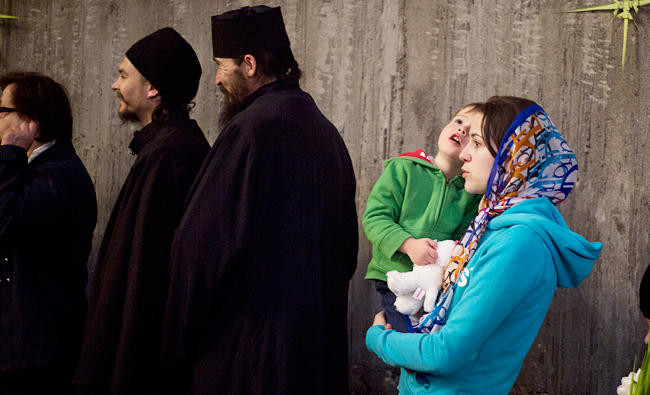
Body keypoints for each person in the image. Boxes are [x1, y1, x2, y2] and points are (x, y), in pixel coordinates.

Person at [161, 6, 358, 395]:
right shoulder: (326, 133)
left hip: (244, 357)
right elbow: (344, 252)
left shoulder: (249, 130)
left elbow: (198, 248)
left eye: (222, 66)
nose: (217, 80)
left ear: (248, 64)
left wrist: (177, 343)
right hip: (311, 353)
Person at [366, 96, 603, 393]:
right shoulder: (486, 224)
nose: (464, 153)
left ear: (512, 156)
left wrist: (378, 339)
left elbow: (445, 352)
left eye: (476, 143)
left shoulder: (520, 244)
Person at [73, 28, 209, 395]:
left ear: (153, 88)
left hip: (146, 358)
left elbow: (141, 272)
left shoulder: (170, 155)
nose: (115, 86)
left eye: (123, 75)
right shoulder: (165, 148)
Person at [0, 72, 97, 395]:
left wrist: (10, 152)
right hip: (29, 347)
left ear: (30, 121)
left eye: (2, 112)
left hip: (37, 354)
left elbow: (5, 225)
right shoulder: (39, 169)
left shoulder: (56, 176)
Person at [363, 104, 482, 333]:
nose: (462, 131)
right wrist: (408, 245)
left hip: (437, 283)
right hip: (396, 277)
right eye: (459, 122)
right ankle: (396, 356)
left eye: (472, 133)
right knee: (407, 335)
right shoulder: (405, 168)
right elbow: (375, 217)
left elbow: (463, 240)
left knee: (432, 334)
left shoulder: (470, 192)